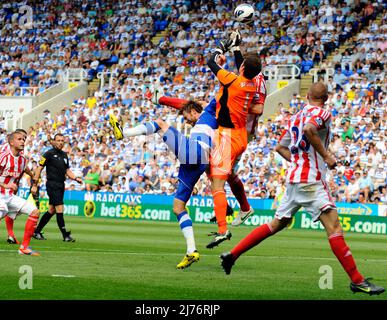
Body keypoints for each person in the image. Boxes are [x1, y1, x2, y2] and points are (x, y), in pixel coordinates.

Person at [219, 83, 385, 296]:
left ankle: (232, 255)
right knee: (334, 229)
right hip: (311, 181)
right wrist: (326, 156)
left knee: (277, 223)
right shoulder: (323, 113)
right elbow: (309, 129)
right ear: (326, 98)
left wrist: (297, 162)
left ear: (307, 96)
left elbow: (280, 147)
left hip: (294, 179)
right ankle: (358, 281)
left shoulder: (295, 116)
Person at [110, 98, 216, 269]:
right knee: (178, 208)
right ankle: (191, 251)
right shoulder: (207, 121)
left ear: (194, 111)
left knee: (159, 123)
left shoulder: (209, 112)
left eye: (187, 118)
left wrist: (162, 99)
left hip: (196, 151)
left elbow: (220, 92)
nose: (187, 122)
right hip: (198, 163)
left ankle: (123, 133)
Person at [205, 32, 262, 248]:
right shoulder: (250, 84)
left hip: (227, 137)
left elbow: (210, 62)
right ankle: (241, 208)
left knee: (217, 184)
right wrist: (236, 49)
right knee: (217, 175)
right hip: (238, 136)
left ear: (242, 69)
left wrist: (223, 46)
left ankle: (222, 229)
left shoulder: (232, 81)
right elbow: (243, 67)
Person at [0, 131, 41, 256]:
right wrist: (5, 185)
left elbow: (23, 169)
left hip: (9, 195)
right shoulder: (3, 157)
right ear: (11, 142)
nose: (22, 141)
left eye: (24, 139)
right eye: (19, 139)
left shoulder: (22, 160)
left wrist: (33, 177)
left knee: (35, 211)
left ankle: (24, 248)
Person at [31, 133, 83, 242]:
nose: (60, 142)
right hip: (52, 184)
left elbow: (67, 170)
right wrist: (35, 184)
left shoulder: (64, 155)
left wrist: (75, 178)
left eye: (62, 141)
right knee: (60, 208)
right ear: (54, 141)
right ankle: (65, 235)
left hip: (61, 185)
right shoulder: (48, 154)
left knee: (51, 210)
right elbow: (39, 168)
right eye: (58, 140)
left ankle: (36, 231)